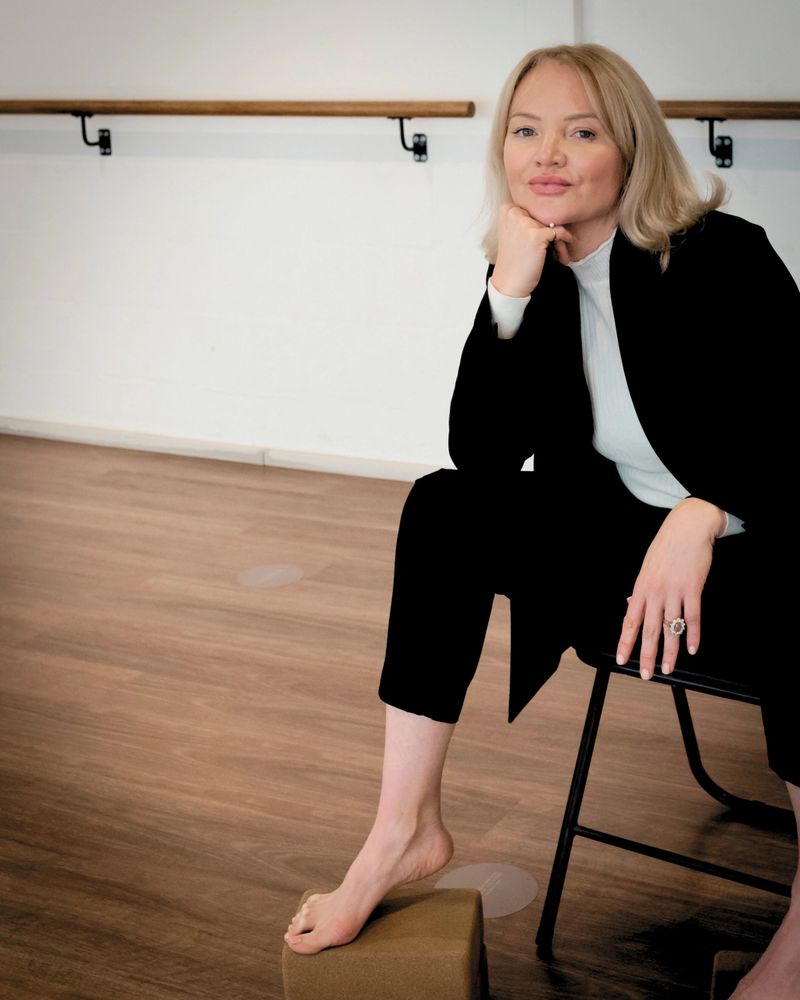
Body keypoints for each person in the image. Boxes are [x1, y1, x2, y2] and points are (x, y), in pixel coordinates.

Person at [284, 43, 799, 998]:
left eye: (581, 130)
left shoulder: (723, 254)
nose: (547, 153)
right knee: (444, 509)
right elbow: (478, 455)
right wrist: (508, 294)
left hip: (762, 561)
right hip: (624, 563)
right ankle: (404, 828)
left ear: (630, 149)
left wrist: (708, 510)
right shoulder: (539, 271)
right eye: (526, 130)